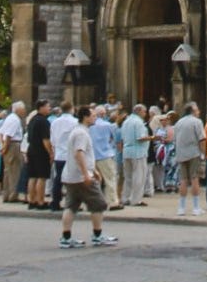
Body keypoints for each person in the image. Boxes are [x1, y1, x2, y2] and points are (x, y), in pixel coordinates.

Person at [57, 103, 117, 253]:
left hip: (71, 175)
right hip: (81, 177)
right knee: (99, 204)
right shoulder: (81, 133)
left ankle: (66, 237)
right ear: (85, 117)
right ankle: (97, 235)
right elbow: (79, 153)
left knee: (71, 206)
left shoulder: (78, 131)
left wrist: (94, 169)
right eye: (93, 115)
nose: (95, 118)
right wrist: (86, 174)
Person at [172, 102, 207, 214]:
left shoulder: (178, 123)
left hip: (181, 153)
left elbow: (175, 139)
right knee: (194, 178)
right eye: (197, 110)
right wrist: (203, 154)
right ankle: (196, 207)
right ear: (192, 111)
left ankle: (181, 208)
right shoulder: (197, 122)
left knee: (183, 180)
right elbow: (202, 139)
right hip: (194, 153)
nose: (199, 112)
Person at [120, 103, 151, 205]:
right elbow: (140, 138)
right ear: (138, 111)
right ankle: (136, 199)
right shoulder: (138, 122)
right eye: (144, 111)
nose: (145, 114)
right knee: (139, 176)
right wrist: (152, 137)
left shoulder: (126, 121)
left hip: (127, 151)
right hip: (138, 152)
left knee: (128, 177)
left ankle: (125, 198)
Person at [24, 101, 53, 209]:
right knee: (42, 177)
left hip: (31, 149)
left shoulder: (32, 120)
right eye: (48, 106)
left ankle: (32, 200)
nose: (49, 108)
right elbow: (45, 139)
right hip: (41, 151)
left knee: (32, 176)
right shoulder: (44, 121)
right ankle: (40, 201)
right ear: (41, 107)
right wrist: (50, 152)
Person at [0, 101, 27, 203]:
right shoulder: (15, 120)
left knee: (8, 171)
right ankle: (13, 195)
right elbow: (8, 135)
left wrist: (2, 146)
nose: (24, 111)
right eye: (23, 109)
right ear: (18, 109)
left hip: (9, 145)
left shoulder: (9, 118)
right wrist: (5, 147)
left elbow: (1, 133)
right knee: (15, 171)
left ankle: (7, 194)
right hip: (13, 145)